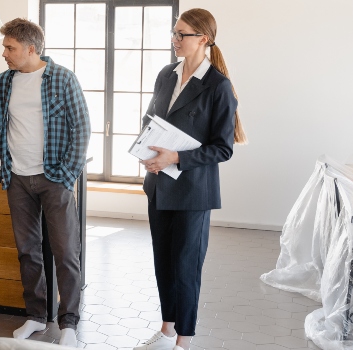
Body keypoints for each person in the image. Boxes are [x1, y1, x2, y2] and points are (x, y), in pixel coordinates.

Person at [134, 8, 247, 350]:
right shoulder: (166, 74)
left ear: (204, 39)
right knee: (163, 260)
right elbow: (150, 118)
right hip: (159, 186)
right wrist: (146, 151)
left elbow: (222, 149)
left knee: (185, 266)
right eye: (174, 33)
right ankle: (167, 328)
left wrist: (177, 157)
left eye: (181, 34)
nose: (174, 40)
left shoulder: (218, 86)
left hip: (193, 193)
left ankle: (184, 338)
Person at [0, 18, 90, 347]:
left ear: (31, 49)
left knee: (65, 251)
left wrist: (68, 174)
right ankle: (35, 316)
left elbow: (82, 128)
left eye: (10, 48)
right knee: (28, 252)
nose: (4, 53)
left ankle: (68, 321)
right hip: (17, 180)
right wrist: (5, 153)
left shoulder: (62, 79)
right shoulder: (3, 82)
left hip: (54, 179)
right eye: (4, 47)